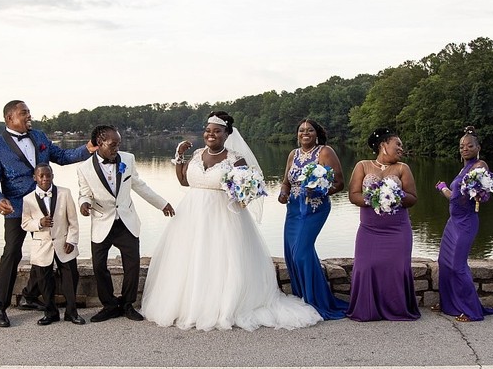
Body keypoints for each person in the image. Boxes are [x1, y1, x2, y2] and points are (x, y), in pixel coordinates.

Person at [141, 112, 322, 331]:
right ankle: (191, 305)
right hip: (192, 215)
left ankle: (223, 306)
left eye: (217, 131)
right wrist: (179, 157)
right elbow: (183, 181)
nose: (211, 134)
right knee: (192, 258)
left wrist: (242, 191)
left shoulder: (236, 159)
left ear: (227, 134)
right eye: (208, 130)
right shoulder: (198, 154)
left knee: (221, 260)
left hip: (222, 217)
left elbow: (247, 191)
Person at [0, 100, 95, 328]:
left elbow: (63, 157)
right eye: (24, 113)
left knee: (49, 249)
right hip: (17, 208)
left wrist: (88, 149)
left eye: (28, 112)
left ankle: (30, 296)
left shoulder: (40, 137)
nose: (29, 116)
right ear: (10, 118)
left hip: (48, 204)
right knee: (12, 254)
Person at [77, 125, 175, 322]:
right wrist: (84, 204)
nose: (117, 148)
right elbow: (84, 193)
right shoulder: (84, 168)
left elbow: (139, 185)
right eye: (113, 145)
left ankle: (128, 304)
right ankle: (110, 305)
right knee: (99, 266)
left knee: (132, 265)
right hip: (102, 221)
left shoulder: (128, 159)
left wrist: (162, 204)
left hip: (126, 220)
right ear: (99, 143)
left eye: (119, 144)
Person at [346, 127, 420, 321]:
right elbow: (353, 196)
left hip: (397, 229)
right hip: (370, 229)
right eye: (398, 144)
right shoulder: (362, 166)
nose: (401, 148)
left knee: (396, 268)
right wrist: (375, 198)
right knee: (366, 266)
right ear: (383, 145)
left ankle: (397, 309)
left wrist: (395, 198)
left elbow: (412, 198)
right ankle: (367, 309)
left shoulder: (403, 168)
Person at [277, 119, 348, 319]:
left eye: (309, 130)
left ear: (317, 134)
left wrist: (321, 190)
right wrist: (283, 194)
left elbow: (340, 183)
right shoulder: (293, 154)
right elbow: (285, 182)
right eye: (301, 130)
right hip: (293, 209)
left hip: (315, 208)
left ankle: (317, 300)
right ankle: (303, 296)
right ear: (297, 134)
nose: (305, 133)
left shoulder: (325, 152)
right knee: (292, 253)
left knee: (301, 252)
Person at [434, 126, 493, 322]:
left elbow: (483, 194)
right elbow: (454, 197)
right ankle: (449, 304)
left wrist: (481, 191)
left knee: (457, 265)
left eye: (469, 145)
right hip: (452, 221)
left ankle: (471, 310)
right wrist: (443, 188)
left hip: (466, 221)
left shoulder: (480, 166)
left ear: (477, 147)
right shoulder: (463, 168)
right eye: (462, 146)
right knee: (444, 263)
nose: (465, 148)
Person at [21, 164, 84, 325]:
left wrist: (72, 240)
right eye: (41, 176)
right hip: (42, 246)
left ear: (52, 176)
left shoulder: (65, 193)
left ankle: (72, 312)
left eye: (48, 175)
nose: (45, 179)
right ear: (35, 177)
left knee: (70, 277)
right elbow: (25, 223)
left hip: (64, 243)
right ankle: (50, 313)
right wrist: (39, 223)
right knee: (44, 281)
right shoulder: (27, 199)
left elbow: (73, 221)